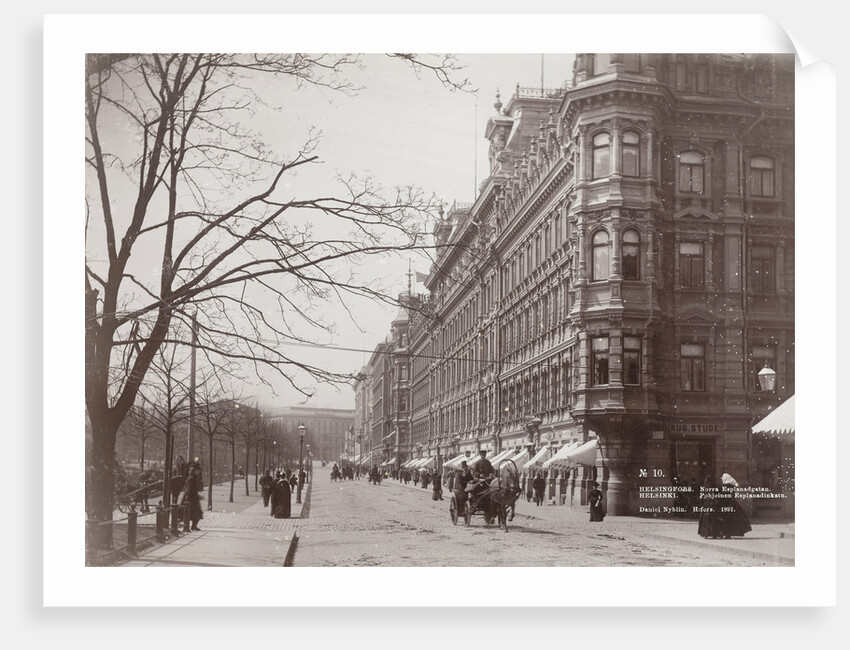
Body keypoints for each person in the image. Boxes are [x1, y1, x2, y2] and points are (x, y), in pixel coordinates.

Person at [180, 462, 204, 531]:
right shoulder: (192, 478)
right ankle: (190, 526)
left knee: (194, 513)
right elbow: (191, 488)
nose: (198, 472)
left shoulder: (191, 477)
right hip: (191, 497)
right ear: (195, 470)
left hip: (190, 497)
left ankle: (192, 526)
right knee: (195, 513)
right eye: (198, 470)